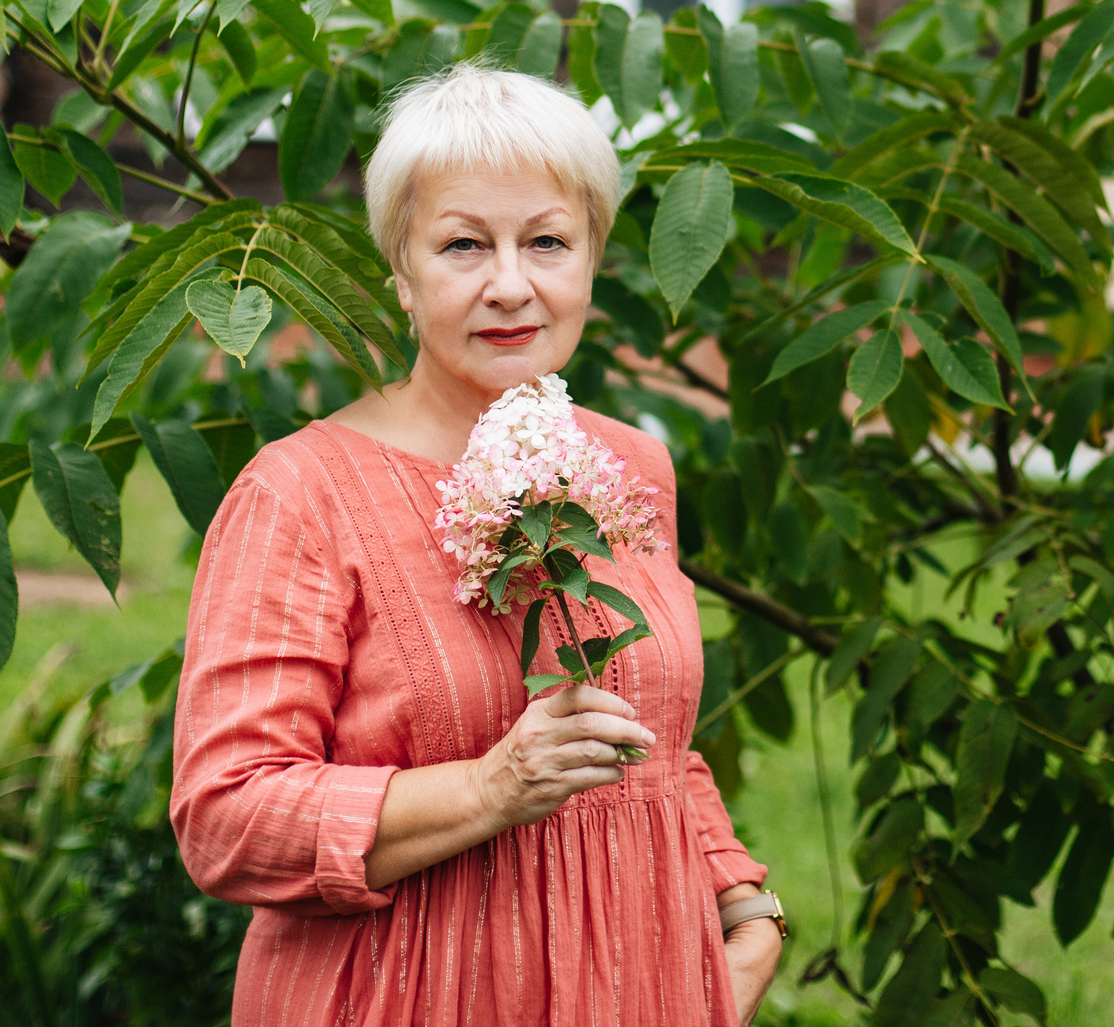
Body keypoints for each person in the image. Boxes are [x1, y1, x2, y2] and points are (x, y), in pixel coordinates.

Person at [170, 62, 785, 1026]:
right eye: (463, 244)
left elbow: (651, 737)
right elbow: (227, 819)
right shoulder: (301, 493)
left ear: (591, 263)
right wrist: (491, 787)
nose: (511, 284)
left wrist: (747, 908)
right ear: (402, 275)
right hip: (403, 995)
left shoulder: (630, 469)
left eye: (547, 240)